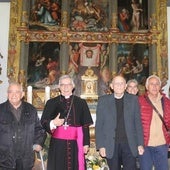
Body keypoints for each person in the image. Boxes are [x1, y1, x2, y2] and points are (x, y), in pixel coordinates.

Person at [41, 74, 93, 170]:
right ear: (59, 87)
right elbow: (43, 122)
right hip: (58, 144)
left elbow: (85, 125)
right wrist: (53, 123)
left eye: (68, 84)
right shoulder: (51, 103)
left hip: (75, 144)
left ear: (73, 87)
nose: (65, 87)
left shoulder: (81, 103)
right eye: (62, 85)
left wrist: (86, 143)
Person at [95, 75, 144, 170]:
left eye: (121, 83)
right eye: (116, 83)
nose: (119, 86)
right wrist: (101, 146)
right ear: (111, 86)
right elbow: (99, 125)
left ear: (125, 86)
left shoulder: (133, 100)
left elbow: (137, 123)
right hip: (111, 144)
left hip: (130, 144)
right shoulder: (103, 101)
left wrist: (140, 144)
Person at [0, 82, 46, 170]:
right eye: (10, 92)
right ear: (7, 94)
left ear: (22, 94)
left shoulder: (31, 109)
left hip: (26, 159)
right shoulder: (1, 110)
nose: (13, 95)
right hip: (4, 159)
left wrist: (38, 142)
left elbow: (39, 129)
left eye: (17, 92)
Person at [138, 75, 170, 170]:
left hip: (162, 145)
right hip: (145, 146)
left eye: (157, 84)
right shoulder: (139, 101)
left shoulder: (167, 102)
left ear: (160, 87)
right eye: (152, 84)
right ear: (147, 86)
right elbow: (134, 123)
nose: (155, 86)